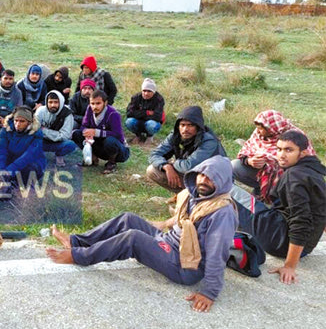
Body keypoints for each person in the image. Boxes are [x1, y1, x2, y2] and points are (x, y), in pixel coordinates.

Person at [46, 156, 237, 313]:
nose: (203, 180)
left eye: (211, 178)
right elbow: (181, 221)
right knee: (128, 218)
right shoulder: (197, 195)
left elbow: (217, 253)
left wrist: (209, 292)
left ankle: (79, 256)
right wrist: (162, 224)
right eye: (201, 175)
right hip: (168, 242)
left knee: (133, 238)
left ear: (223, 182)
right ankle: (76, 241)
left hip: (184, 264)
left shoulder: (222, 212)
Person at [230, 130, 325, 284]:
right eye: (279, 149)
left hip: (278, 241)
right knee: (251, 204)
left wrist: (289, 266)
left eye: (289, 150)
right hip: (304, 249)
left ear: (303, 152)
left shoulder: (294, 177)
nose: (281, 155)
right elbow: (320, 209)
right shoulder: (314, 171)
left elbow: (300, 222)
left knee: (224, 188)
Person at [234, 110, 314, 197]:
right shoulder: (258, 134)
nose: (258, 131)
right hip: (264, 173)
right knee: (234, 166)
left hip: (288, 175)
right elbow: (247, 150)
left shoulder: (295, 136)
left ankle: (281, 196)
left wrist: (274, 164)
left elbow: (306, 163)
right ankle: (262, 189)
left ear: (271, 128)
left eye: (261, 128)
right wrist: (249, 161)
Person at [147, 106, 226, 194]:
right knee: (153, 170)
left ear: (198, 127)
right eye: (182, 125)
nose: (185, 129)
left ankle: (200, 198)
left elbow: (189, 166)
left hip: (214, 179)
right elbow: (154, 154)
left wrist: (174, 163)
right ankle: (186, 196)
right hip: (194, 175)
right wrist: (166, 166)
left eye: (190, 125)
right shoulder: (175, 135)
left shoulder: (208, 140)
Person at [75, 90, 130, 174]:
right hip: (100, 145)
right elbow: (84, 125)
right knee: (77, 134)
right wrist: (87, 133)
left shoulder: (113, 114)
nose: (94, 107)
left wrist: (96, 132)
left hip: (120, 150)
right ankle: (92, 157)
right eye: (92, 103)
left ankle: (112, 163)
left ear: (105, 103)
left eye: (98, 103)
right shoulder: (89, 109)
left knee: (110, 141)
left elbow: (118, 135)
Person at [0, 106, 47, 185]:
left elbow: (29, 155)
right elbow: (0, 151)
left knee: (30, 170)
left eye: (22, 121)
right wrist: (1, 170)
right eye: (16, 120)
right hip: (12, 160)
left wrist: (9, 171)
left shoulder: (36, 133)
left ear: (29, 122)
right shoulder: (5, 130)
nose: (18, 124)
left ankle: (14, 181)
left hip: (30, 162)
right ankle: (9, 179)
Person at [35, 90, 77, 167]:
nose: (53, 105)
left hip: (58, 143)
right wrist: (44, 132)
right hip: (42, 141)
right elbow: (35, 129)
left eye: (56, 102)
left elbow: (65, 136)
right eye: (50, 102)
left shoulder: (67, 114)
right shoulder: (40, 111)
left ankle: (59, 155)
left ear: (60, 102)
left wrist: (44, 130)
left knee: (71, 145)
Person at [125, 78, 165, 143]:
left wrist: (138, 114)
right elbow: (129, 113)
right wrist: (147, 112)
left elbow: (157, 117)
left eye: (149, 91)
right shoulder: (136, 97)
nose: (146, 93)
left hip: (151, 123)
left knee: (151, 124)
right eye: (144, 91)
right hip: (138, 121)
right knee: (129, 122)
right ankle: (138, 135)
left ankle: (150, 136)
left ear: (153, 92)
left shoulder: (159, 99)